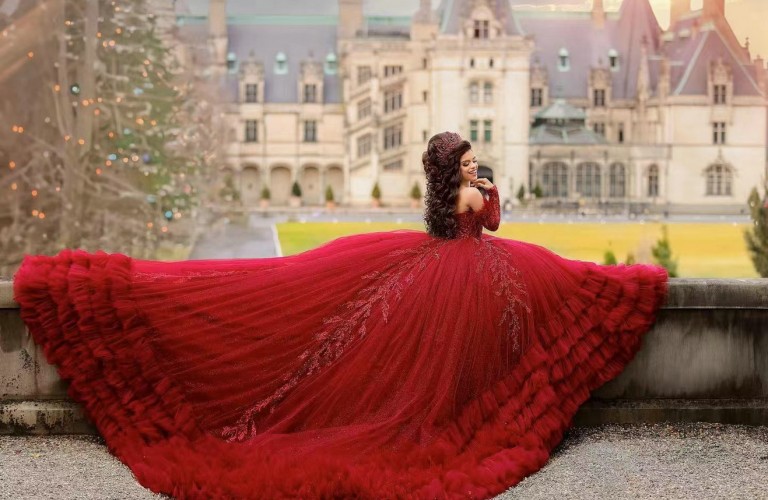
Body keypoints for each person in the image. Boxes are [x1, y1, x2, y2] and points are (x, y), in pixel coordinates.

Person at [13, 131, 668, 499]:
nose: (475, 171)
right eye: (467, 165)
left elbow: (475, 222)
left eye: (474, 164)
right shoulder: (472, 196)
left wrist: (481, 190)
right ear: (454, 172)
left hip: (455, 266)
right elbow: (491, 222)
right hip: (462, 271)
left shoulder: (453, 197)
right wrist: (490, 191)